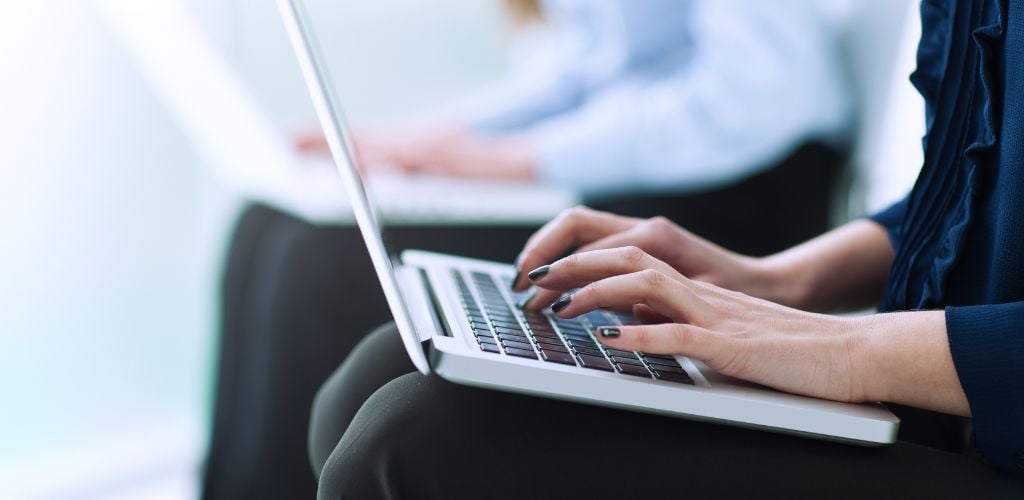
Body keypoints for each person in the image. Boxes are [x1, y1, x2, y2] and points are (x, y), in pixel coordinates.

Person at [307, 0, 1024, 497]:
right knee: (382, 367)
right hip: (929, 389)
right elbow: (970, 189)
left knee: (412, 440)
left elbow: (750, 95)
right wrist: (775, 282)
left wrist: (845, 349)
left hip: (988, 433)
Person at [298, 0, 853, 256]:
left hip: (742, 195)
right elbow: (590, 60)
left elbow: (752, 97)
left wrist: (518, 159)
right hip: (646, 167)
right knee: (281, 229)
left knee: (324, 258)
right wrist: (422, 142)